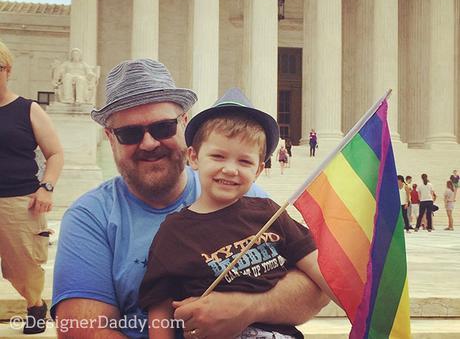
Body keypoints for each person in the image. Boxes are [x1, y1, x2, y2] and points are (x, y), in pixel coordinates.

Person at [51, 59, 329, 338]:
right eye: (130, 133)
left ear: (184, 124)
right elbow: (80, 329)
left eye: (163, 127)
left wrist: (248, 308)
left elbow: (317, 287)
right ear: (110, 138)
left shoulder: (246, 197)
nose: (149, 143)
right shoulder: (89, 216)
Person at [139, 88, 338, 339]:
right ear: (194, 157)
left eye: (244, 162)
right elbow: (159, 309)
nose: (231, 169)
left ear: (258, 170)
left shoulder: (269, 214)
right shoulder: (174, 232)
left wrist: (362, 310)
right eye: (218, 156)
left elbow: (321, 268)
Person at [0, 40, 64, 334]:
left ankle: (35, 305)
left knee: (21, 269)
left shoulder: (27, 109)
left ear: (7, 70)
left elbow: (55, 153)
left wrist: (46, 187)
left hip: (18, 201)